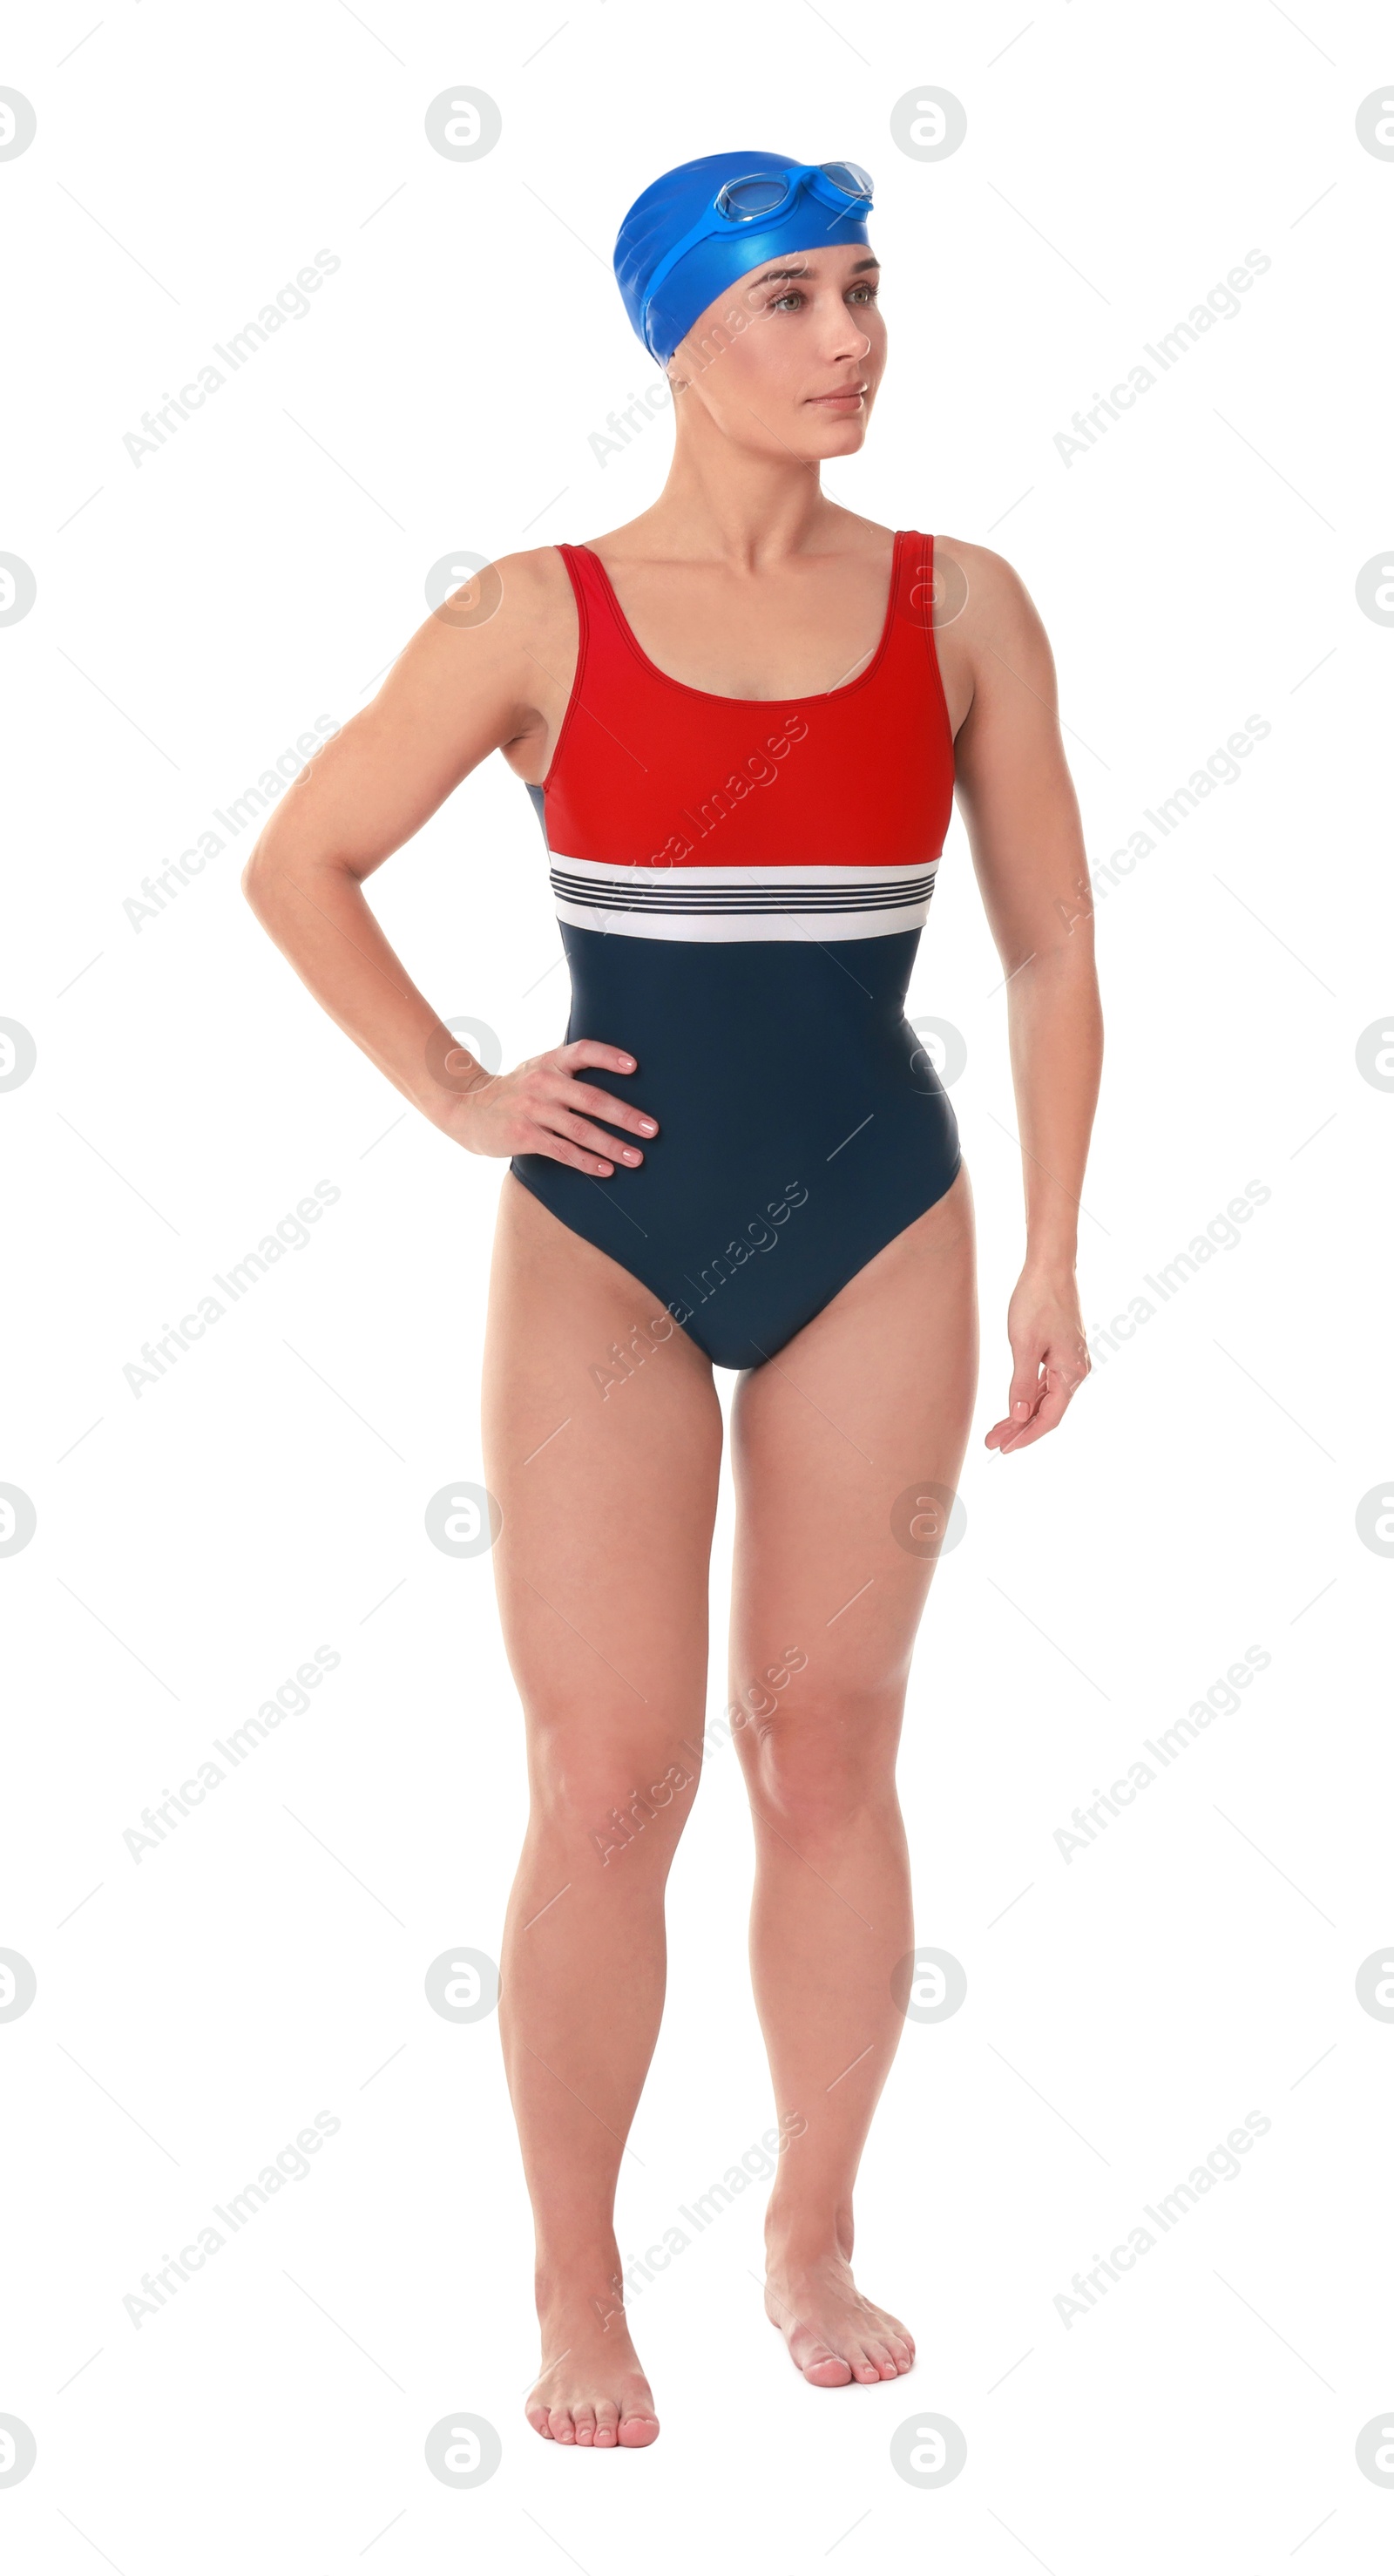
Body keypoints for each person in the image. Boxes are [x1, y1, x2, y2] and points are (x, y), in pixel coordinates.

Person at [242, 149, 1101, 2451]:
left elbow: (1048, 946)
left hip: (879, 1222)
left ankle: (811, 2229)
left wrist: (1051, 1245)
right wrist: (457, 1092)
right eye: (789, 305)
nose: (847, 345)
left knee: (827, 1754)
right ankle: (576, 2277)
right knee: (604, 1777)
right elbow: (297, 858)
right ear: (678, 336)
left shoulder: (965, 604)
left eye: (865, 295)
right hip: (608, 1232)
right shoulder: (538, 613)